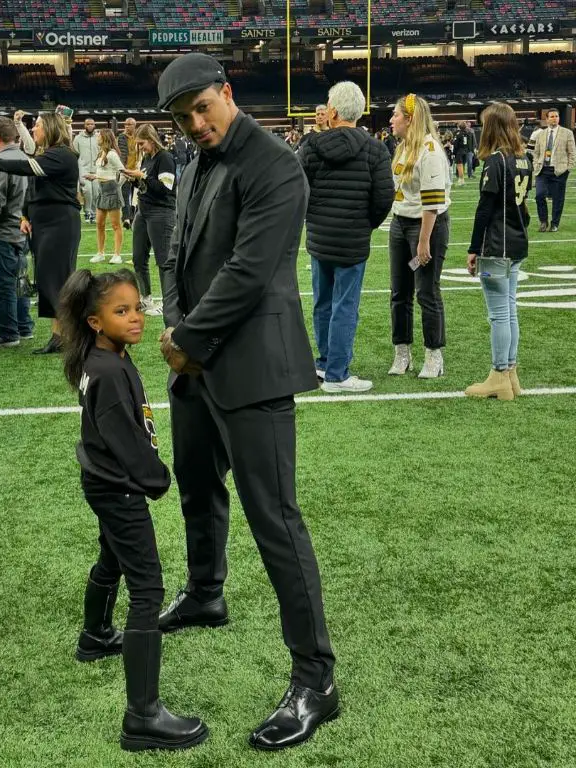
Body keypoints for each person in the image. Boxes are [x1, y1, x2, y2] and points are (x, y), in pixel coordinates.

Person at [155, 53, 338, 752]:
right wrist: (178, 331)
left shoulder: (274, 164)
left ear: (227, 94)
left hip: (253, 368)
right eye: (182, 116)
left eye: (204, 108)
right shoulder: (197, 154)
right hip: (196, 362)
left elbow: (252, 272)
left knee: (277, 522)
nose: (196, 124)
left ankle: (317, 679)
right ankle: (206, 592)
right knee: (197, 489)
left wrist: (188, 339)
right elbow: (176, 254)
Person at [59, 268, 208, 753]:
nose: (136, 317)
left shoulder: (105, 358)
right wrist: (156, 477)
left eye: (137, 307)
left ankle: (96, 634)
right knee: (148, 589)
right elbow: (126, 440)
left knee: (112, 558)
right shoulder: (107, 370)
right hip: (117, 489)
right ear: (95, 322)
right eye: (121, 311)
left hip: (102, 484)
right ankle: (142, 716)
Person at [299, 81, 394, 393]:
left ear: (334, 111)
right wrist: (365, 224)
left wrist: (314, 219)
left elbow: (299, 190)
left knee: (323, 301)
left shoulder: (312, 146)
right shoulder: (375, 149)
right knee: (344, 305)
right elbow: (384, 197)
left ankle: (326, 362)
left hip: (320, 237)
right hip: (352, 238)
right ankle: (337, 373)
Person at [0, 112, 81, 355]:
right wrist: (25, 216)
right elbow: (33, 188)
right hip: (45, 224)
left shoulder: (62, 155)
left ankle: (70, 335)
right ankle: (58, 336)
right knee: (48, 279)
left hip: (59, 223)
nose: (33, 130)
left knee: (57, 279)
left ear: (51, 128)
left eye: (38, 126)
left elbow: (23, 168)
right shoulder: (48, 155)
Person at [465, 103, 532, 401]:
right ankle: (511, 374)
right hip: (517, 242)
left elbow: (484, 210)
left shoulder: (495, 161)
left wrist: (473, 249)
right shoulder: (523, 158)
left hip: (497, 245)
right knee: (510, 309)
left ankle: (499, 374)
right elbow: (524, 209)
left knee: (499, 314)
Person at [388, 93, 452, 379]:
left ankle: (433, 354)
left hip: (426, 225)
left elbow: (432, 203)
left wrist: (424, 240)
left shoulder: (431, 150)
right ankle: (402, 351)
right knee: (399, 291)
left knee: (426, 290)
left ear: (410, 119)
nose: (391, 120)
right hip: (401, 223)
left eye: (396, 115)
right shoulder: (403, 147)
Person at [0, 116, 35, 348]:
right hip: (22, 229)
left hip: (3, 231)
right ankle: (24, 326)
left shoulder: (0, 162)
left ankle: (8, 332)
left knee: (3, 284)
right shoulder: (23, 157)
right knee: (20, 280)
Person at [129, 123, 176, 317]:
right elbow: (146, 185)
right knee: (138, 258)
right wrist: (134, 178)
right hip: (144, 210)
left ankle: (169, 303)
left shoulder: (165, 158)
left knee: (164, 261)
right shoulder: (147, 158)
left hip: (161, 212)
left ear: (151, 139)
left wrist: (143, 177)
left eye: (142, 143)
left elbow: (166, 188)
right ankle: (146, 299)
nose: (140, 147)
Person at [532, 108, 576, 233]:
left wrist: (568, 168)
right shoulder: (540, 134)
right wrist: (536, 165)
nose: (554, 118)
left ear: (559, 118)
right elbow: (536, 152)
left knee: (558, 199)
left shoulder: (567, 133)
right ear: (546, 119)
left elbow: (572, 152)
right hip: (542, 170)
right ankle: (543, 221)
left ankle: (555, 223)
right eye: (551, 116)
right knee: (539, 195)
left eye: (556, 116)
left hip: (559, 171)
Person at [86, 129, 126, 265]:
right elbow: (104, 172)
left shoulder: (112, 154)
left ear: (105, 138)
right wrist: (96, 177)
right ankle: (101, 253)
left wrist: (117, 185)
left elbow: (123, 172)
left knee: (116, 225)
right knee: (99, 223)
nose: (97, 137)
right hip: (101, 191)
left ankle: (117, 255)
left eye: (99, 135)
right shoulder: (101, 152)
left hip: (111, 190)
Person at [73, 118, 99, 223]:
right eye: (88, 124)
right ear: (84, 125)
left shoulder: (98, 137)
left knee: (96, 192)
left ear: (94, 125)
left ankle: (93, 213)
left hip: (96, 169)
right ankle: (88, 212)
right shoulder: (78, 138)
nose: (90, 126)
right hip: (83, 169)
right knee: (88, 191)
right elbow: (75, 154)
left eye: (92, 124)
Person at [117, 117, 139, 229]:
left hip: (137, 171)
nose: (126, 126)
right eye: (125, 124)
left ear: (134, 126)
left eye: (129, 124)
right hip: (126, 171)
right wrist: (123, 169)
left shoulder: (138, 137)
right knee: (125, 195)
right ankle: (126, 218)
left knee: (136, 196)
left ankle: (133, 217)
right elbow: (121, 154)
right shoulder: (121, 137)